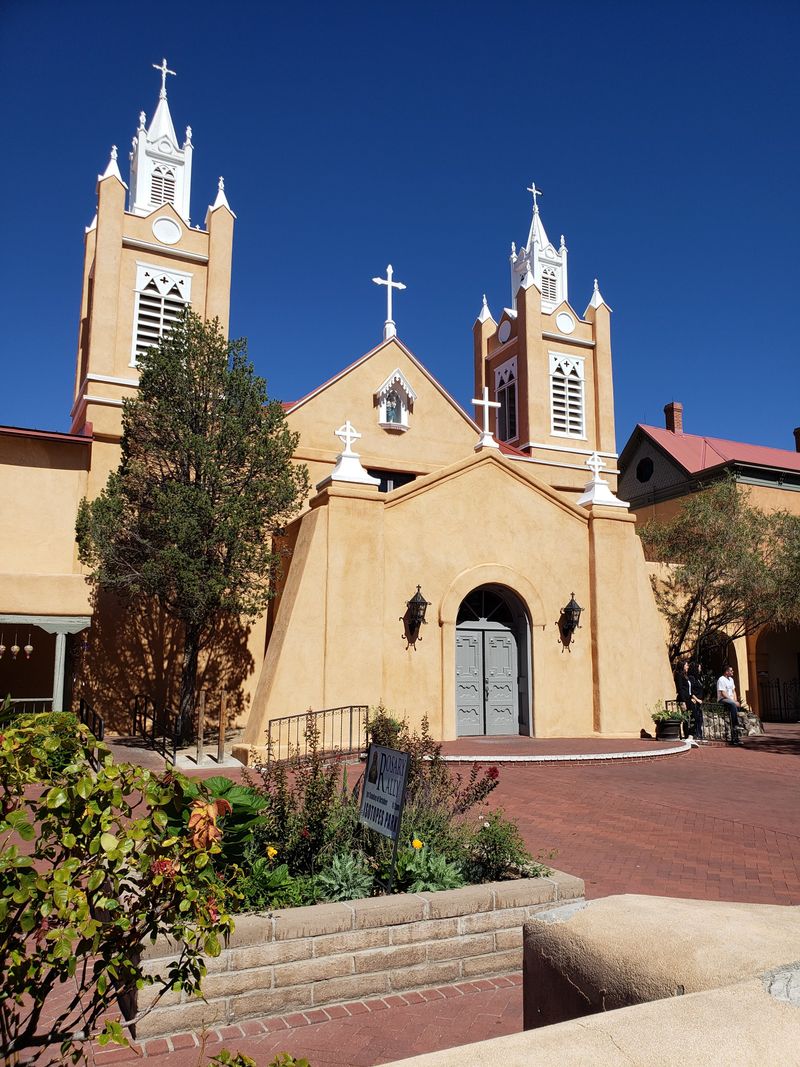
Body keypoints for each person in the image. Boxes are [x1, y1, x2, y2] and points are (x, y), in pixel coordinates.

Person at [676, 661, 704, 741]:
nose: (687, 666)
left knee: (694, 716)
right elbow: (680, 689)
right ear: (682, 666)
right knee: (685, 717)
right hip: (683, 699)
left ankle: (691, 735)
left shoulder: (686, 676)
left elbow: (689, 690)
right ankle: (687, 735)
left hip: (689, 699)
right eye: (686, 665)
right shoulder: (678, 675)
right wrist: (683, 702)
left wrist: (692, 697)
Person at [716, 666, 742, 746]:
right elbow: (723, 693)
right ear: (726, 672)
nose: (732, 672)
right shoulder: (721, 680)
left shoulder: (731, 680)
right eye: (731, 671)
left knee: (735, 705)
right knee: (733, 704)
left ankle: (736, 737)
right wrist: (733, 701)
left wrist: (736, 700)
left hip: (731, 700)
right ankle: (736, 724)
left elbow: (734, 691)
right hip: (723, 699)